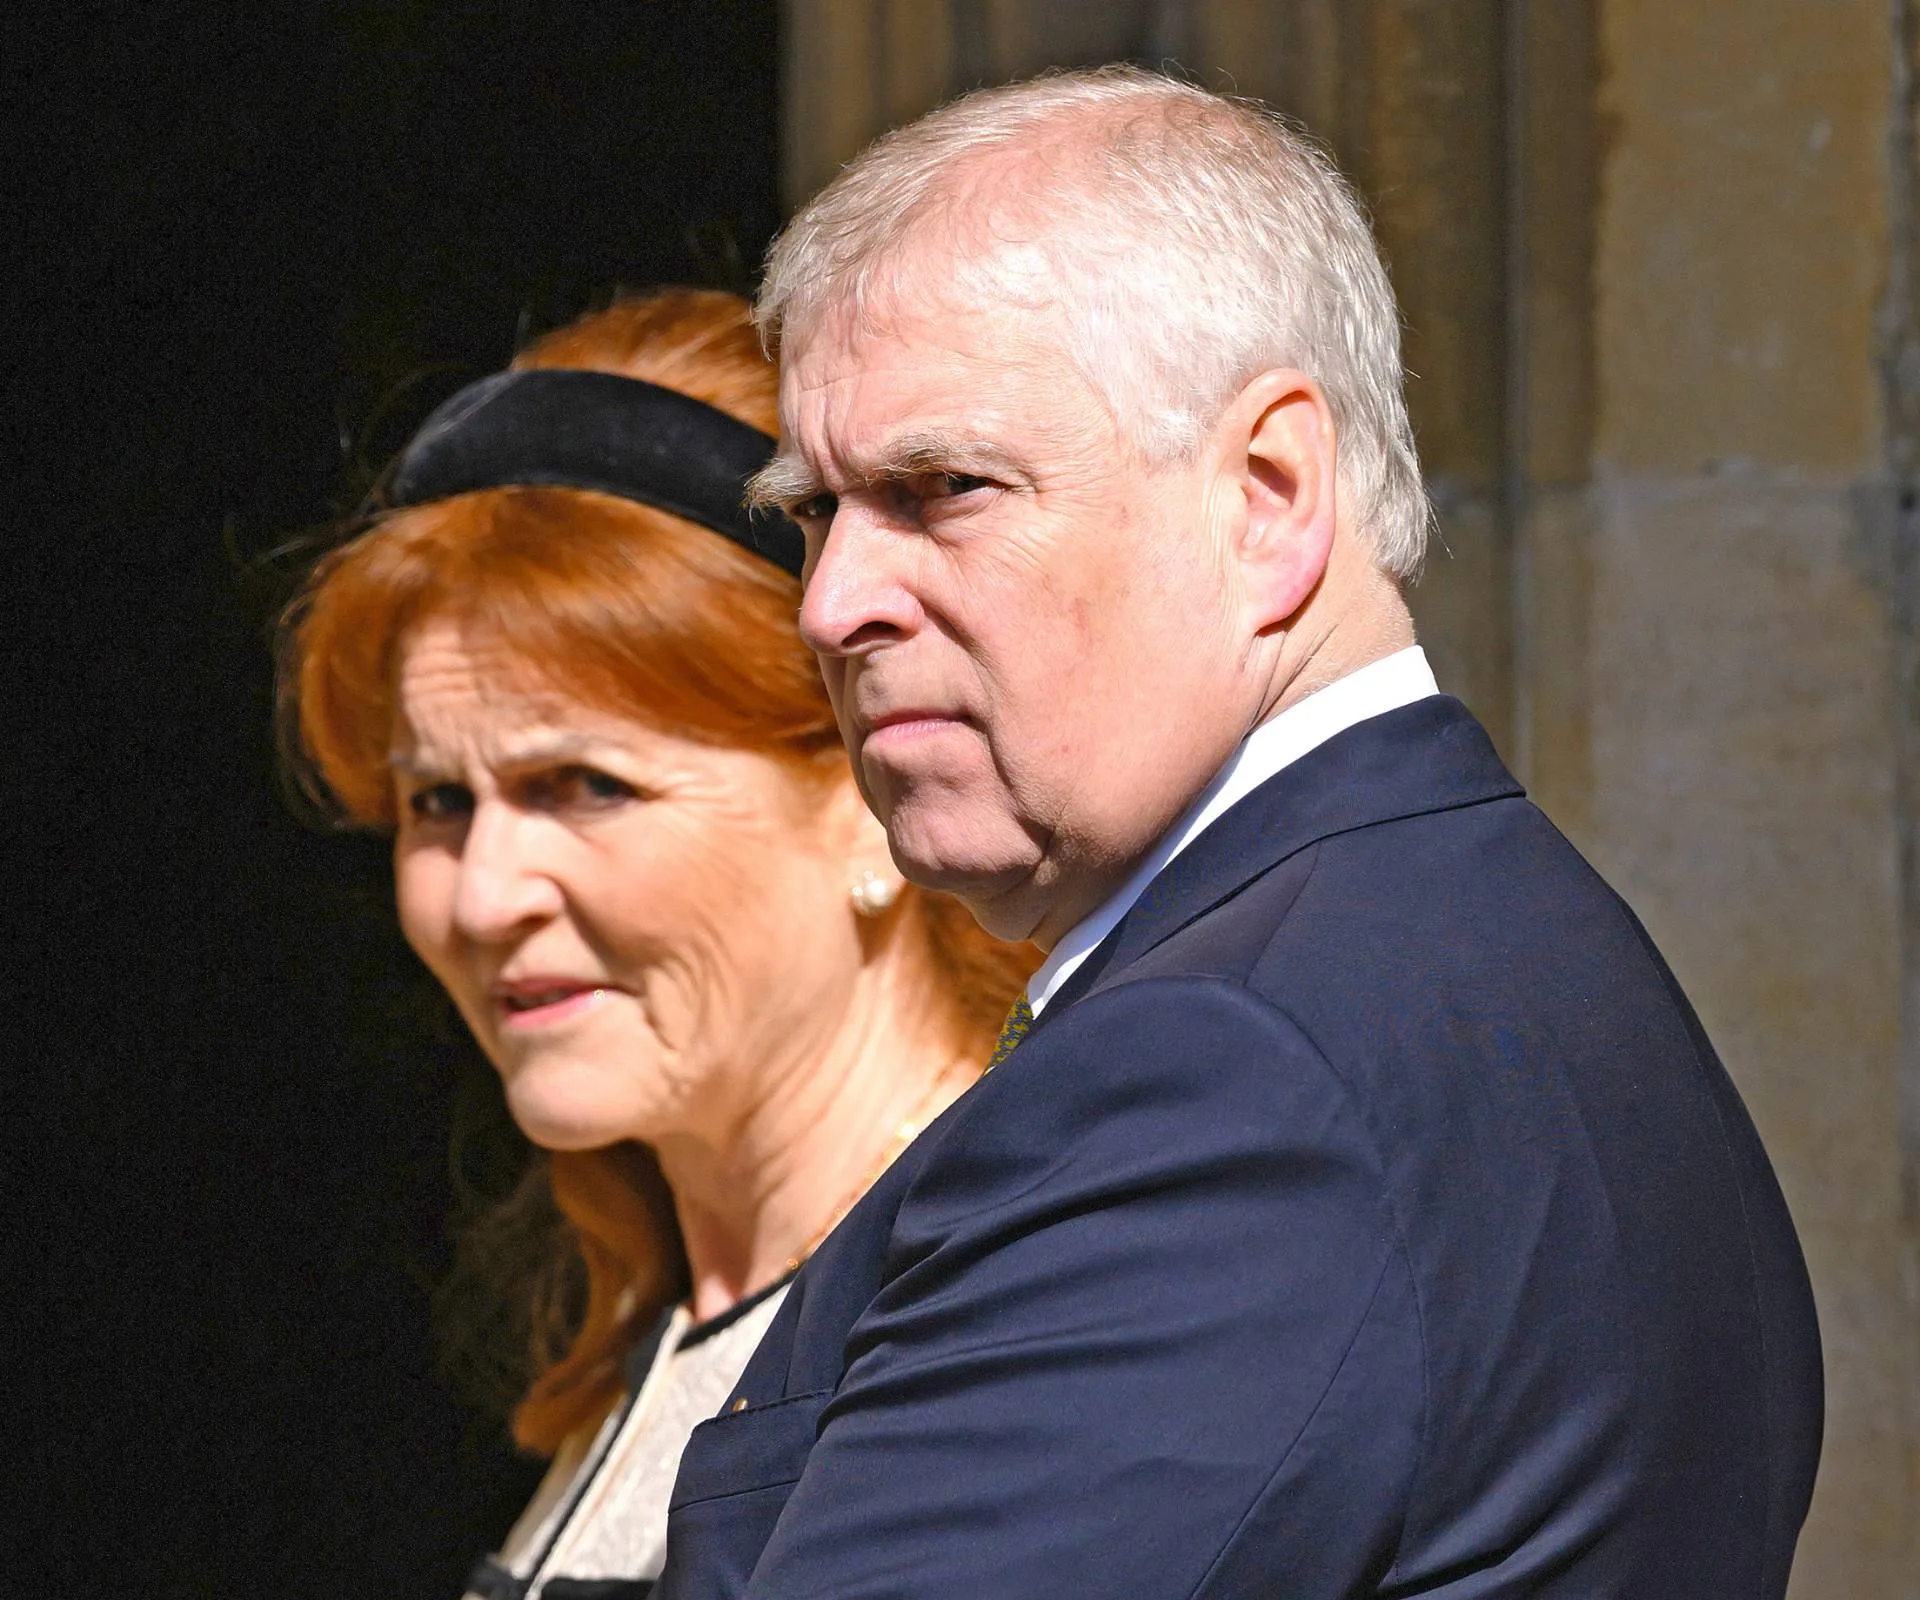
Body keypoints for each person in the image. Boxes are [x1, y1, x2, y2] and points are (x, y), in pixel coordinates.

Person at [651, 69, 1825, 1600]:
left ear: (1269, 494)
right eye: (816, 511)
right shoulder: (1488, 942)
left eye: (942, 489)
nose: (831, 604)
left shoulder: (1230, 1076)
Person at [279, 289, 1032, 1600]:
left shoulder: (1001, 1319)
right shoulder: (680, 1343)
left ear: (875, 798)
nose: (483, 896)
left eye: (586, 785)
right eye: (437, 802)